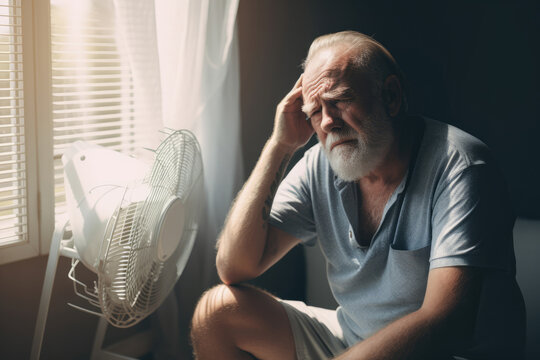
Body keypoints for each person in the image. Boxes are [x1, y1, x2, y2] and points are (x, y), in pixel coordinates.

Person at [190, 31, 526, 360]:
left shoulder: (461, 166)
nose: (327, 123)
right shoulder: (319, 165)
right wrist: (280, 146)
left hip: (442, 352)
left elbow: (446, 323)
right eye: (315, 111)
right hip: (353, 339)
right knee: (217, 313)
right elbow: (234, 265)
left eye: (339, 100)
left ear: (391, 96)